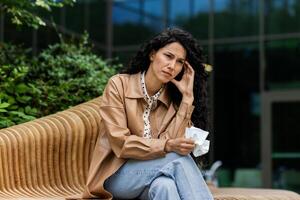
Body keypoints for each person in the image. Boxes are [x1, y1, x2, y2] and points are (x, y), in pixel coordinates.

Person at [82, 27, 213, 200]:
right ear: (152, 55)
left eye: (180, 62)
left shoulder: (174, 101)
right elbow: (121, 143)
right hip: (116, 176)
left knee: (165, 187)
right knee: (177, 159)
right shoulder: (119, 85)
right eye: (168, 56)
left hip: (153, 174)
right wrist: (166, 146)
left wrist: (187, 98)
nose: (172, 66)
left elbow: (175, 143)